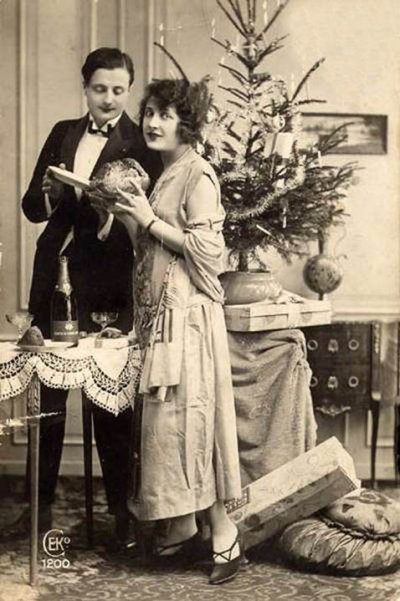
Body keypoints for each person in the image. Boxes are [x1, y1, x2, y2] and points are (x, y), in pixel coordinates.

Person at [4, 47, 161, 545]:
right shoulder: (62, 133)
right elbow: (33, 208)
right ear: (85, 89)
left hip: (111, 280)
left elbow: (149, 224)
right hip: (55, 275)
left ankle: (121, 516)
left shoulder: (144, 142)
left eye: (118, 90)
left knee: (110, 405)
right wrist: (52, 191)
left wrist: (115, 206)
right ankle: (40, 512)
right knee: (46, 402)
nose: (109, 99)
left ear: (128, 91)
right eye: (100, 89)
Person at [94, 76, 243, 584]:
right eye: (150, 112)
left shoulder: (198, 173)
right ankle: (183, 533)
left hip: (191, 324)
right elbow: (154, 251)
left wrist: (148, 220)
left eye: (164, 113)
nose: (153, 122)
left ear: (187, 123)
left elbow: (208, 255)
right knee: (168, 429)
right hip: (164, 322)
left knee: (195, 428)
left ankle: (227, 538)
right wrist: (129, 217)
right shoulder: (165, 173)